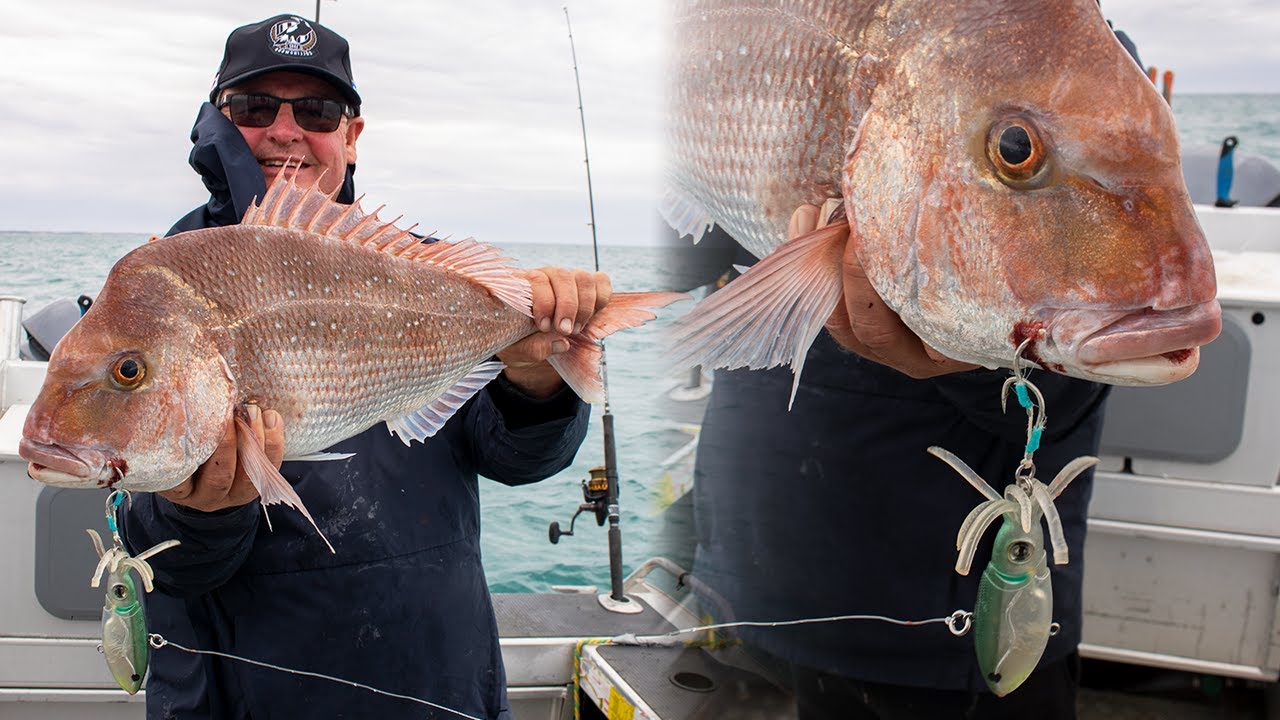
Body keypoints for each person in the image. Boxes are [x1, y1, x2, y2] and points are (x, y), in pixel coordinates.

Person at [121, 14, 608, 720]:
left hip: (439, 686)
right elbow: (163, 566)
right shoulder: (161, 284)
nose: (286, 131)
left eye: (317, 110)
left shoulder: (428, 277)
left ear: (351, 134)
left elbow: (516, 459)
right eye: (256, 108)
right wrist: (197, 514)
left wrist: (538, 383)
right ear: (217, 121)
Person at [681, 23, 1148, 720]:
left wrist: (969, 349)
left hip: (934, 638)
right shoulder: (772, 36)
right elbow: (707, 254)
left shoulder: (1056, 53)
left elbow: (1085, 351)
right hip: (738, 585)